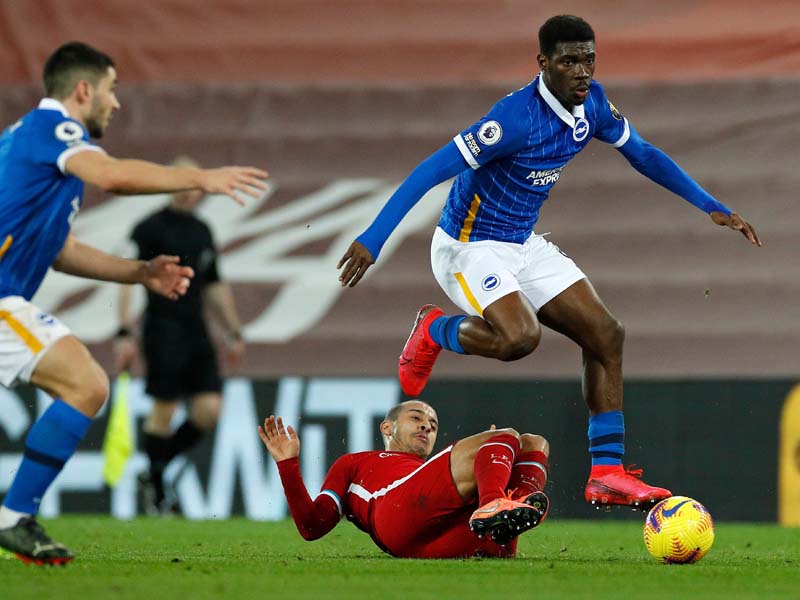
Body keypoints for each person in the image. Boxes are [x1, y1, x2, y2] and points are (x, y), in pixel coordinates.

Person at [336, 15, 761, 510]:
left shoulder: (593, 104)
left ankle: (607, 474)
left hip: (522, 243)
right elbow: (430, 171)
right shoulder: (512, 119)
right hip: (468, 247)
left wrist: (711, 206)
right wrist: (373, 238)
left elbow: (643, 153)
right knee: (520, 338)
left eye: (589, 60)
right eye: (569, 61)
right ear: (543, 63)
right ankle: (434, 330)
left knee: (606, 334)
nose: (582, 71)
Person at [0, 41, 268, 564]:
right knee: (85, 383)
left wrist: (139, 273)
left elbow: (61, 250)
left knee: (83, 385)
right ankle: (14, 517)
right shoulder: (54, 130)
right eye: (112, 89)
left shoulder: (34, 147)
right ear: (84, 90)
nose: (116, 102)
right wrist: (201, 177)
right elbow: (114, 176)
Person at [113, 155, 246, 516]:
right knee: (165, 408)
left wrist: (233, 331)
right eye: (181, 182)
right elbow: (127, 279)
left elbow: (214, 283)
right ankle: (158, 494)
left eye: (193, 184)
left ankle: (154, 470)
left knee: (208, 410)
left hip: (196, 331)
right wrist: (125, 330)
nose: (188, 191)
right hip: (162, 329)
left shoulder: (202, 231)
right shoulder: (149, 228)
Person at [259, 400, 550, 559]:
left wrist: (491, 458)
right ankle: (495, 504)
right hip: (395, 512)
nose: (426, 426)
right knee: (507, 437)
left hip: (452, 537)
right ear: (387, 427)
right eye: (416, 417)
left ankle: (510, 517)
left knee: (534, 442)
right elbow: (312, 526)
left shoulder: (431, 474)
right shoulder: (355, 462)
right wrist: (287, 465)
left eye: (433, 424)